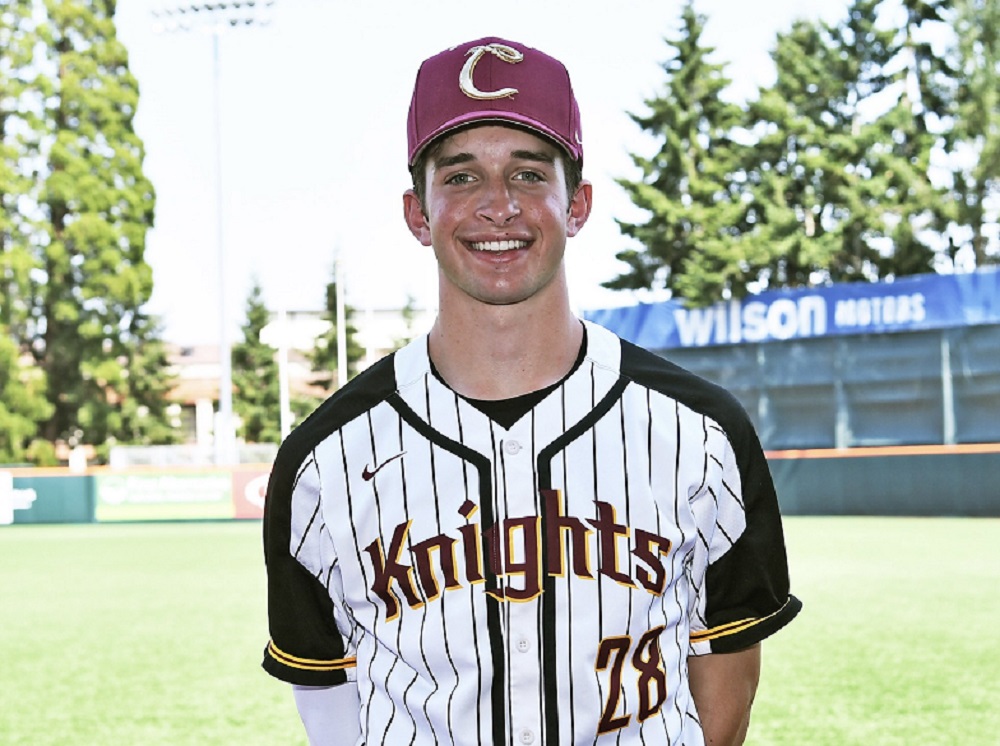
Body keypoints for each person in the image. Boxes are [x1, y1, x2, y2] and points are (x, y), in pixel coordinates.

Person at [261, 36, 801, 746]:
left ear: (576, 205)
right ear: (417, 214)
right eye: (459, 177)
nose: (497, 206)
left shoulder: (702, 432)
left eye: (526, 174)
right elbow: (329, 703)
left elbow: (727, 677)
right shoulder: (320, 462)